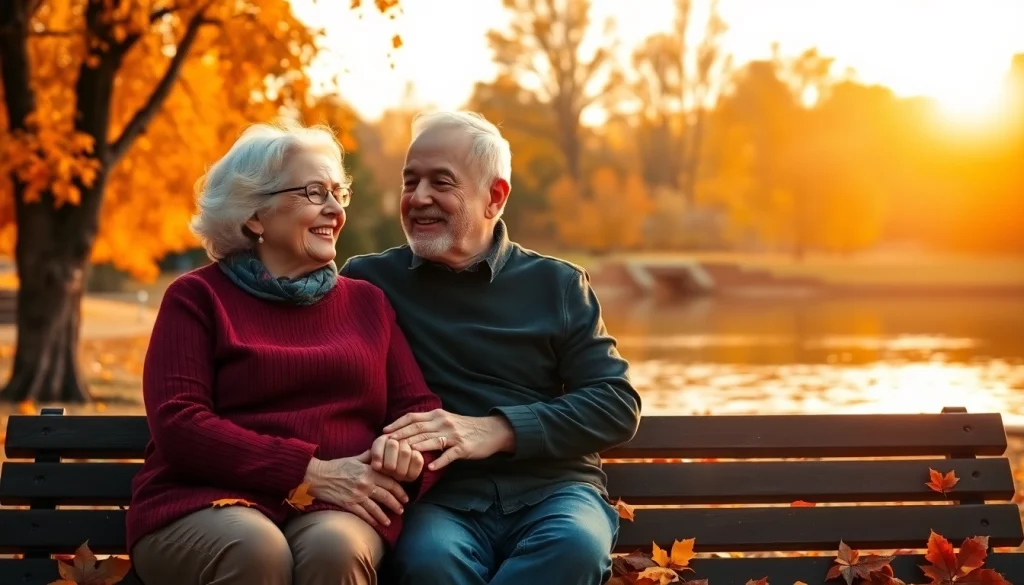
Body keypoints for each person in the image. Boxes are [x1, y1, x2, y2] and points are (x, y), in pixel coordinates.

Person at [126, 120, 443, 585]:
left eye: (339, 193)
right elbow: (179, 423)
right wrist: (308, 471)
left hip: (336, 508)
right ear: (255, 215)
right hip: (208, 501)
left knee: (336, 550)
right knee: (257, 551)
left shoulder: (367, 303)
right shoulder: (196, 298)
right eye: (315, 192)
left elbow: (417, 411)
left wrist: (405, 455)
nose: (335, 209)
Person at [340, 110, 643, 585]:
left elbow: (615, 404)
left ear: (494, 197)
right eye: (410, 181)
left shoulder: (557, 285)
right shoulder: (368, 282)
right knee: (428, 563)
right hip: (440, 502)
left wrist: (495, 429)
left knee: (575, 548)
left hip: (555, 493)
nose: (419, 198)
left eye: (441, 182)